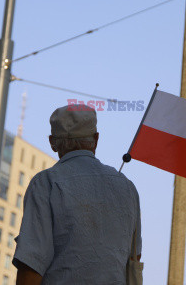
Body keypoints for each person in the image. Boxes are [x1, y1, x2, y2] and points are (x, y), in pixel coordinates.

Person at [13, 104, 142, 285]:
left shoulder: (45, 183)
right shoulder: (127, 187)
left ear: (52, 142)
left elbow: (32, 263)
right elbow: (134, 258)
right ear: (96, 139)